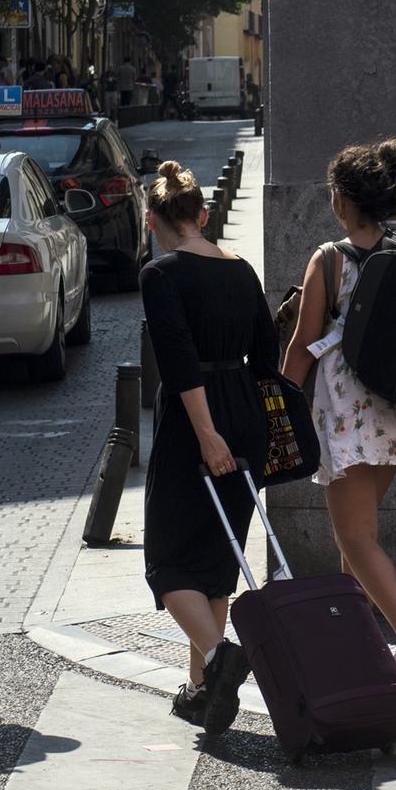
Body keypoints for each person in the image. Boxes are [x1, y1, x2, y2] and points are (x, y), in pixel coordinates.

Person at [281, 140, 396, 685]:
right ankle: (363, 645)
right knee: (361, 530)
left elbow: (303, 345)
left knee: (354, 537)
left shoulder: (329, 259)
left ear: (345, 202)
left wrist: (279, 405)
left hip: (348, 410)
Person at [138, 161, 277, 734]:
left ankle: (220, 658)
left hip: (193, 419)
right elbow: (267, 354)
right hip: (244, 410)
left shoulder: (160, 274)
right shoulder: (242, 270)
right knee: (218, 558)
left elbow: (177, 359)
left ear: (152, 219)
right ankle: (200, 690)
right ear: (203, 214)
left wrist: (205, 431)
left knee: (167, 561)